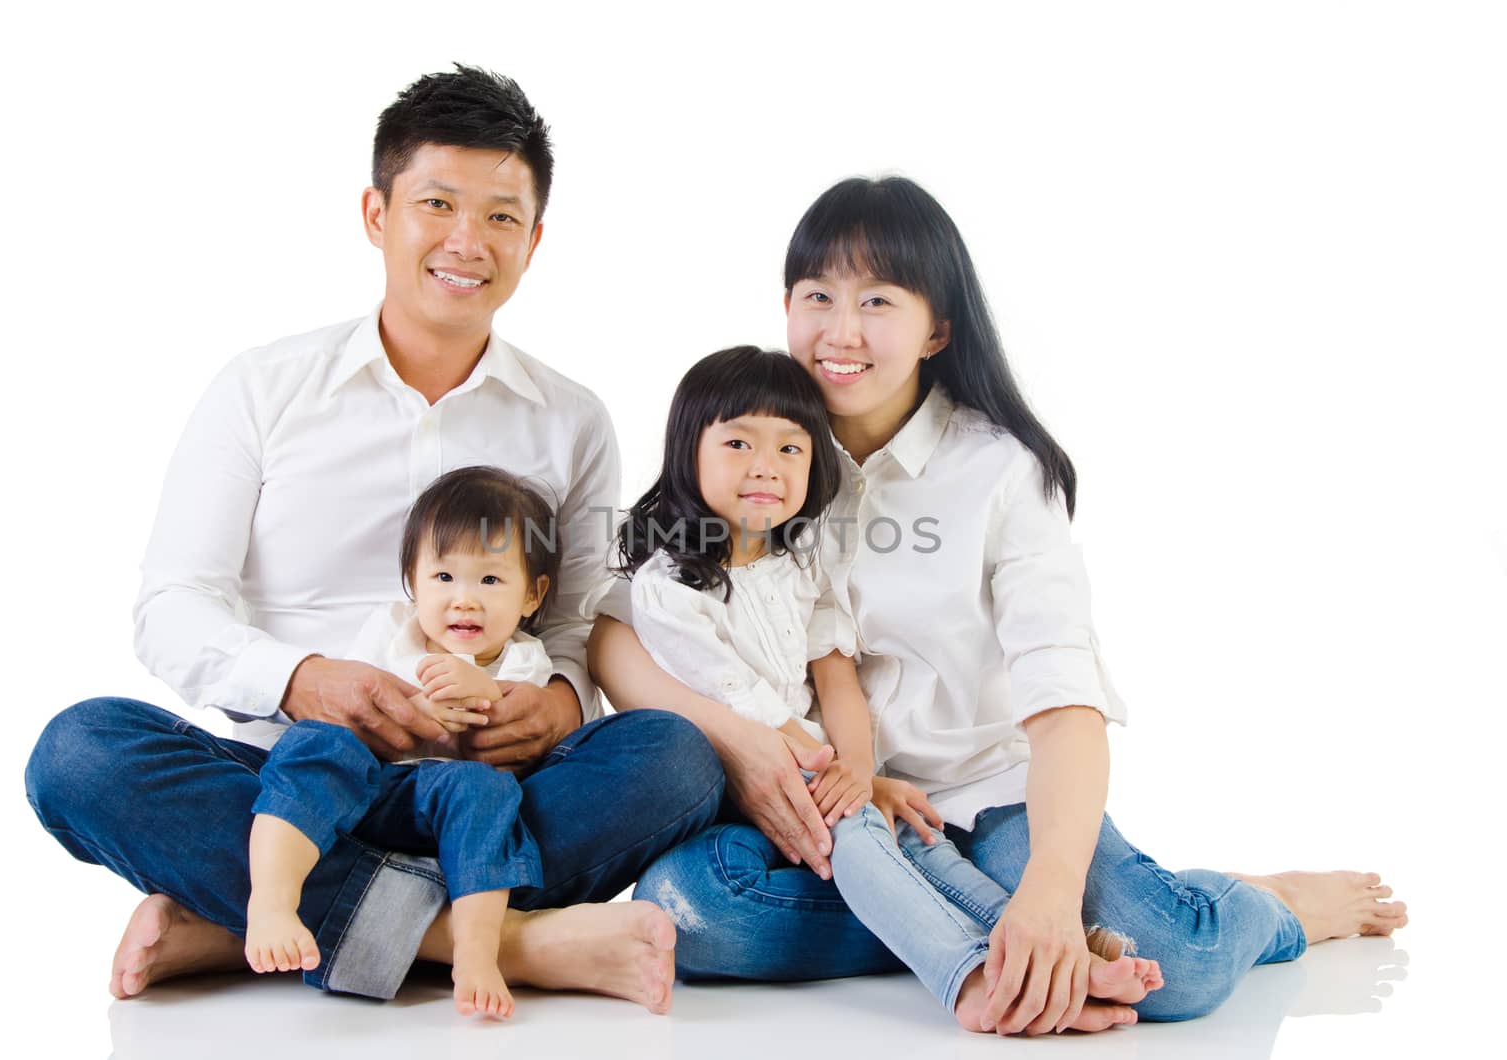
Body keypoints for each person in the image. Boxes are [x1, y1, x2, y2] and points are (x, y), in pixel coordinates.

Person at [589, 175, 1407, 1034]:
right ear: (784, 305)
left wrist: (1050, 899)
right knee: (696, 904)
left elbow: (1065, 705)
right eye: (817, 296)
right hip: (834, 807)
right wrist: (746, 746)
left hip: (992, 799)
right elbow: (616, 631)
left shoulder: (1001, 472)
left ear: (936, 327)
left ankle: (1263, 906)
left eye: (877, 300)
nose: (840, 331)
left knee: (1182, 961)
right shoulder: (758, 450)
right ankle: (1002, 945)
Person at [24, 65, 724, 1011]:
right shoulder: (263, 389)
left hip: (483, 784)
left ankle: (255, 923)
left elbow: (574, 626)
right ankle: (492, 942)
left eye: (502, 217)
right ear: (376, 213)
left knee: (673, 758)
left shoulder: (572, 419)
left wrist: (557, 706)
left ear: (536, 239)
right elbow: (171, 608)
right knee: (80, 753)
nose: (466, 242)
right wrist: (304, 680)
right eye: (437, 203)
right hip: (295, 781)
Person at [597, 346, 1164, 1032]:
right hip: (756, 783)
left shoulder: (800, 561)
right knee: (853, 840)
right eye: (738, 443)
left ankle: (1046, 954)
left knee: (913, 843)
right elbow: (744, 707)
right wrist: (841, 782)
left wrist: (862, 772)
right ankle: (970, 977)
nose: (764, 467)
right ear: (688, 451)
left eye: (790, 448)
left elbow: (837, 679)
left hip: (822, 773)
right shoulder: (672, 586)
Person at [247, 466, 563, 1019]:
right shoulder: (390, 631)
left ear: (532, 596)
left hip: (447, 808)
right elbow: (359, 723)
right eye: (444, 578)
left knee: (485, 791)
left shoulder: (524, 659)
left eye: (490, 581)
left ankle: (475, 950)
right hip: (367, 789)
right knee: (313, 744)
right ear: (413, 583)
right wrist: (417, 711)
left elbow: (515, 749)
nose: (464, 601)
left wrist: (484, 694)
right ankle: (272, 901)